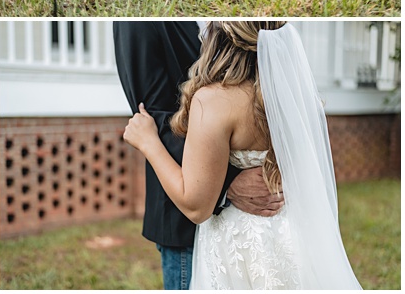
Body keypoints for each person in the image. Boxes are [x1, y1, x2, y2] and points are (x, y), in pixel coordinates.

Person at [123, 21, 362, 289]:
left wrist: (148, 143)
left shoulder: (213, 101)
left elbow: (196, 206)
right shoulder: (293, 97)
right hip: (290, 237)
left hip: (235, 246)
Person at [113, 22, 284, 290]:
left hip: (264, 220)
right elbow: (153, 116)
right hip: (186, 217)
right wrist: (227, 180)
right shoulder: (140, 23)